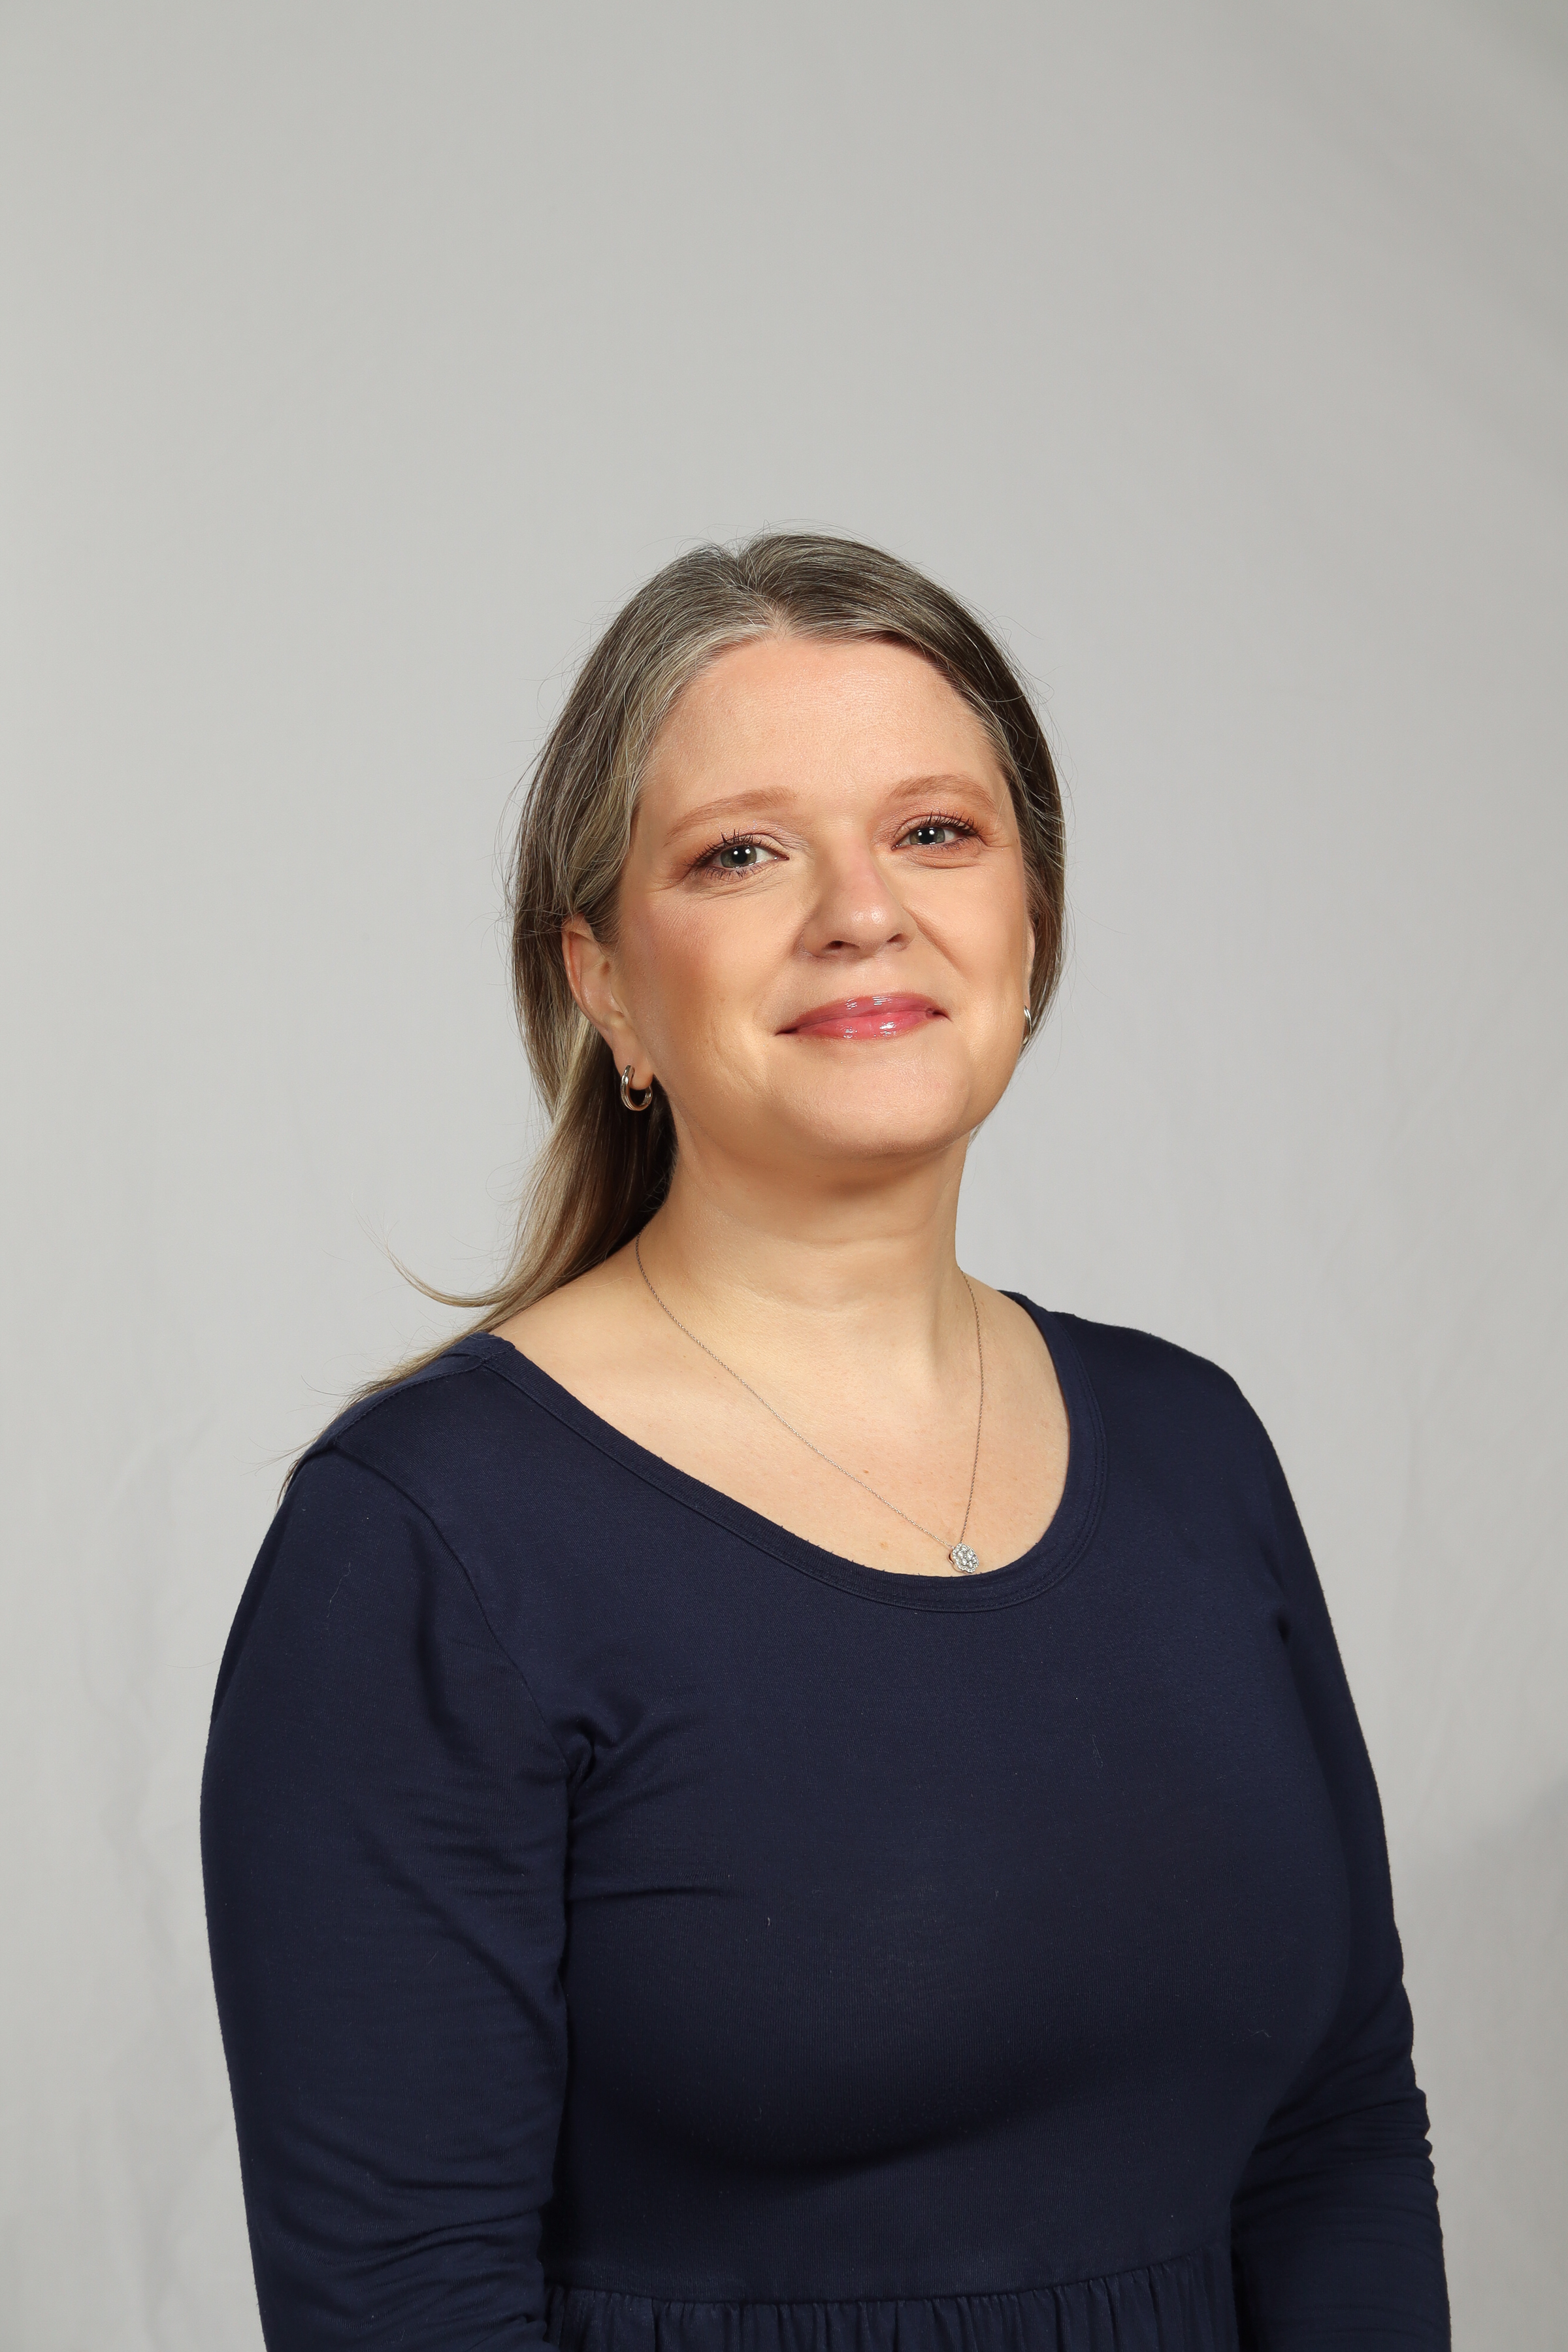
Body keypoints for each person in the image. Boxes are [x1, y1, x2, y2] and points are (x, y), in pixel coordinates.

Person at [201, 533, 1449, 2351]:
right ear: (606, 982)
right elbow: (403, 2306)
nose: (863, 910)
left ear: (1031, 919)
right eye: (742, 853)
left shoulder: (1196, 1450)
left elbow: (1336, 2140)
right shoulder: (426, 1544)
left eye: (935, 832)